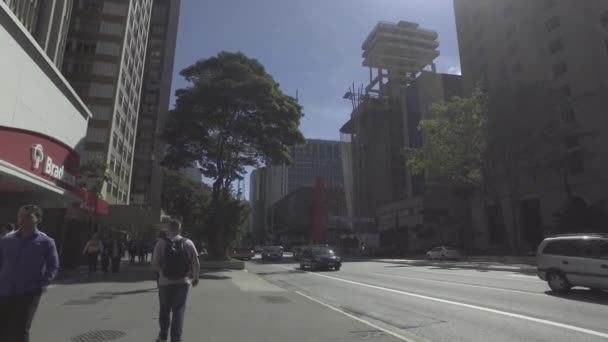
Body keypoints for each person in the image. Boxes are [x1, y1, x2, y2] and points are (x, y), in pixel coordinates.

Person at [0, 204, 59, 342]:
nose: (22, 219)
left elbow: (53, 265)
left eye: (27, 216)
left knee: (20, 329)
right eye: (20, 215)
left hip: (28, 292)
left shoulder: (46, 242)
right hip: (4, 290)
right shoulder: (7, 240)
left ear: (37, 219)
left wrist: (43, 284)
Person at [152, 220, 200, 342]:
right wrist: (195, 277)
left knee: (164, 309)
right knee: (178, 310)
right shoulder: (188, 242)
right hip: (183, 282)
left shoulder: (161, 243)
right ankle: (176, 338)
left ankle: (163, 335)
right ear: (180, 229)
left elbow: (155, 264)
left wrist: (163, 272)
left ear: (168, 229)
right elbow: (196, 263)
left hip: (164, 283)